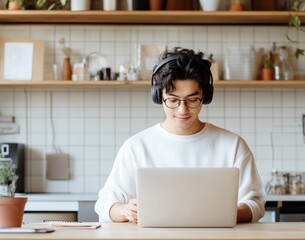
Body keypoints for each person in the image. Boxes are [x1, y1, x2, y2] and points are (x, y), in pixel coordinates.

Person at [94, 47, 266, 223]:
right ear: (158, 96)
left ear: (205, 97)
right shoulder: (136, 147)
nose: (182, 110)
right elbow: (105, 204)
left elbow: (255, 204)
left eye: (192, 100)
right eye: (173, 100)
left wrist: (219, 214)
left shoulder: (233, 145)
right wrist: (125, 211)